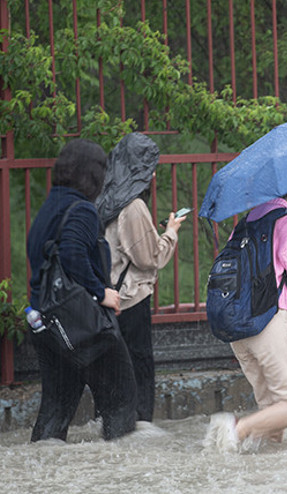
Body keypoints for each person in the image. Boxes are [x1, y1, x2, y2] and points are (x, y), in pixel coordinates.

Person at [205, 176, 287, 452]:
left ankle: (266, 470)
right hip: (270, 322)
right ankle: (234, 429)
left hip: (240, 327)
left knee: (271, 414)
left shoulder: (247, 221)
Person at [26, 139, 137, 441]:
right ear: (93, 175)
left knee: (55, 410)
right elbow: (73, 254)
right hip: (83, 327)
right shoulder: (83, 210)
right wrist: (101, 292)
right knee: (121, 400)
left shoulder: (50, 206)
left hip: (45, 323)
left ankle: (43, 470)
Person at [95, 132, 186, 423]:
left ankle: (113, 422)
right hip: (131, 298)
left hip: (107, 296)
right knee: (140, 364)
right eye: (150, 166)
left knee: (115, 367)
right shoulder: (133, 206)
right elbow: (149, 258)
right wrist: (171, 232)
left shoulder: (104, 198)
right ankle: (139, 424)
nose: (155, 173)